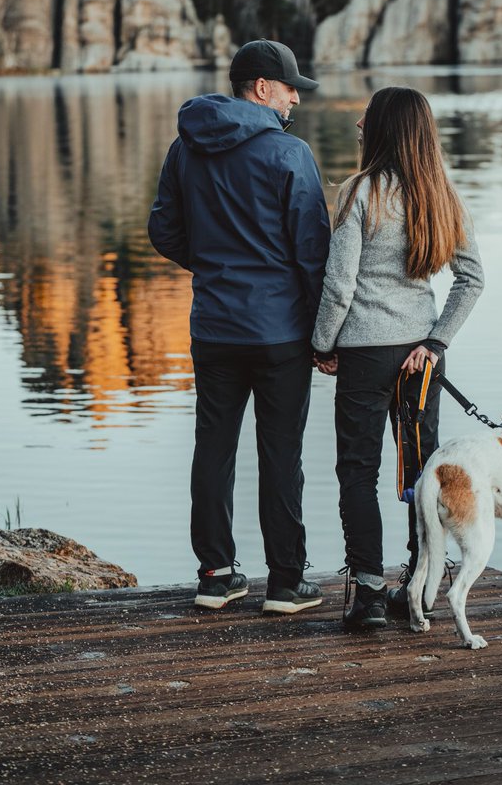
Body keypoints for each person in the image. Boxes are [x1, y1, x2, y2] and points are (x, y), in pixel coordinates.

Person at [148, 39, 331, 614]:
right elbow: (312, 253)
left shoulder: (186, 148)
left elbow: (163, 231)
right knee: (281, 454)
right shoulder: (289, 153)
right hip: (279, 333)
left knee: (214, 449)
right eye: (290, 88)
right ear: (261, 88)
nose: (295, 99)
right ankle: (286, 582)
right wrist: (324, 335)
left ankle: (215, 575)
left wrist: (212, 264)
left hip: (215, 329)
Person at [311, 86, 484, 630]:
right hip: (419, 360)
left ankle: (366, 594)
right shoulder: (441, 195)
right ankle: (420, 584)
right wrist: (434, 344)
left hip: (363, 354)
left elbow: (339, 285)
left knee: (358, 472)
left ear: (386, 128)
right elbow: (472, 279)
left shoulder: (361, 191)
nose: (359, 123)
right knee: (421, 470)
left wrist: (321, 344)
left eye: (368, 116)